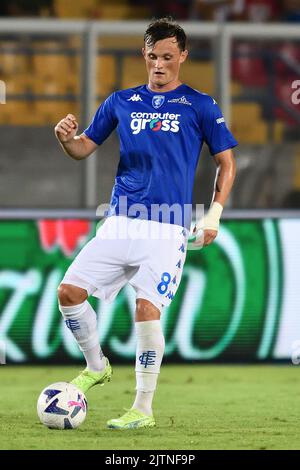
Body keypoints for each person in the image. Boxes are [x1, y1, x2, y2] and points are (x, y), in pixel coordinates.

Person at [54, 17, 237, 430]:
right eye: (153, 56)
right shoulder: (120, 101)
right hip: (120, 220)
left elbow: (226, 162)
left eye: (168, 57)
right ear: (144, 54)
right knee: (68, 292)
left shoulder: (200, 105)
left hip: (167, 227)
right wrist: (67, 141)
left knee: (146, 308)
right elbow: (84, 147)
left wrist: (214, 214)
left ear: (183, 56)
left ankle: (142, 408)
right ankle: (96, 365)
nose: (159, 64)